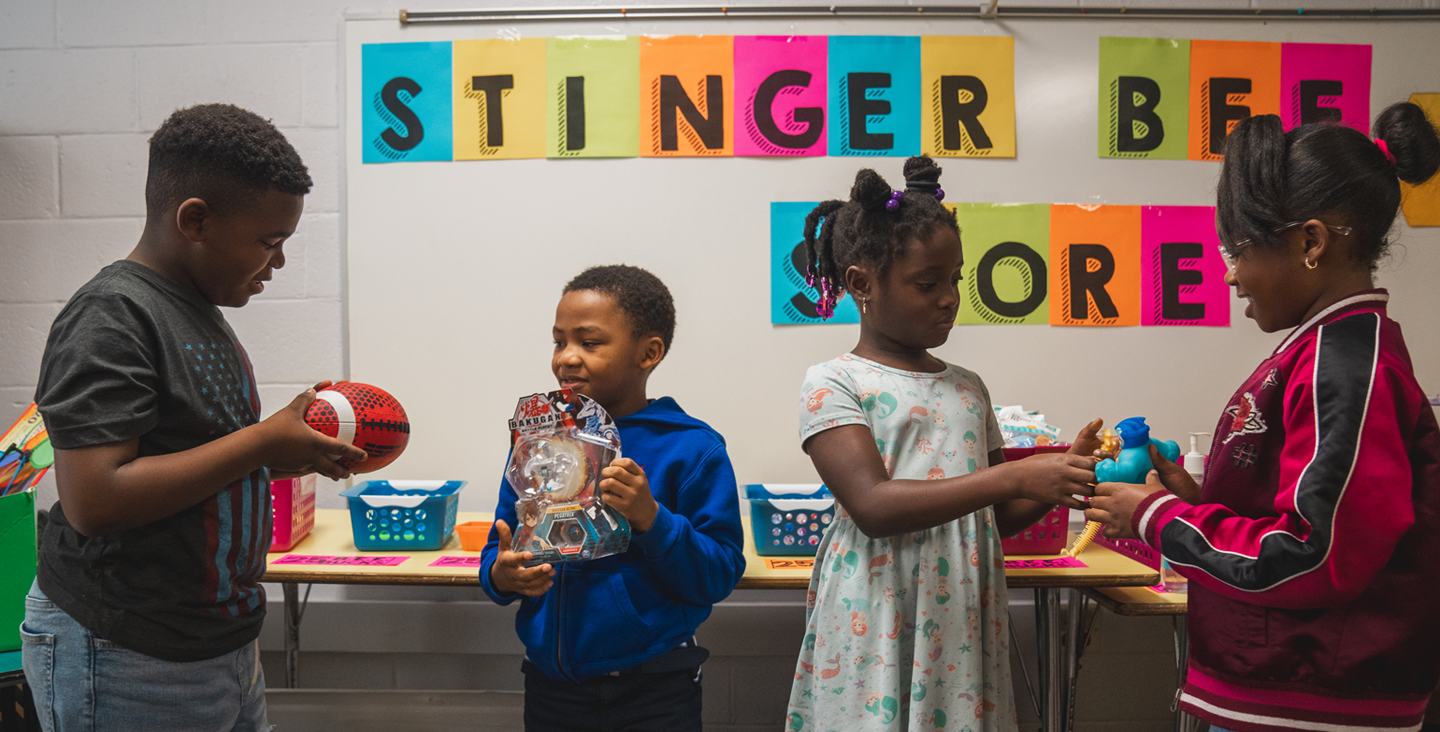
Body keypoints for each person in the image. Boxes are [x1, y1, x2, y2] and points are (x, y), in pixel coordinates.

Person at [1086, 103, 1440, 732]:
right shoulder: (1324, 352)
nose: (1229, 274)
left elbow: (1314, 550)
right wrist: (1205, 499)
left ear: (1310, 242)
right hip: (1286, 687)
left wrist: (1156, 519)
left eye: (1239, 249)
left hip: (1312, 696)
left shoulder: (1346, 366)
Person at [21, 103, 366, 731]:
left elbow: (192, 461)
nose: (279, 263)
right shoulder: (112, 315)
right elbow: (95, 499)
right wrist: (260, 444)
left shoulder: (198, 312)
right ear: (196, 220)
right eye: (269, 242)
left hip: (217, 645)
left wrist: (279, 455)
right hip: (127, 650)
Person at [785, 156, 1104, 731]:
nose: (949, 298)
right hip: (877, 609)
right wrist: (1014, 475)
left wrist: (1060, 477)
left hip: (959, 614)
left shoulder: (967, 387)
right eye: (927, 284)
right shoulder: (834, 382)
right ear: (862, 283)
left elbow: (996, 518)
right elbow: (874, 506)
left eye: (955, 279)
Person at [480, 265, 746, 732]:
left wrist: (651, 519)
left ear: (649, 352)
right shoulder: (540, 443)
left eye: (589, 342)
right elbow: (500, 545)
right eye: (559, 341)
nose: (566, 358)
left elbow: (719, 574)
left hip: (655, 688)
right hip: (552, 686)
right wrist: (500, 577)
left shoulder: (692, 449)